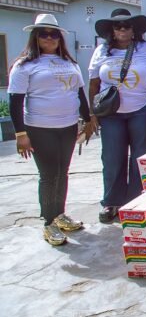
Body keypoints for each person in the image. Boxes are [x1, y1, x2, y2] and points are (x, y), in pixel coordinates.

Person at [8, 14, 96, 245]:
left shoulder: (70, 63)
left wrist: (88, 120)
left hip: (67, 127)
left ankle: (59, 214)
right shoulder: (24, 65)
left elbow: (79, 94)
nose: (49, 38)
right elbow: (15, 101)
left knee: (62, 172)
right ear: (35, 37)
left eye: (53, 34)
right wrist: (20, 134)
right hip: (39, 128)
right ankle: (48, 223)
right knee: (48, 176)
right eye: (43, 34)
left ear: (60, 38)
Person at [89, 9, 146, 223]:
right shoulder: (101, 51)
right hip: (111, 113)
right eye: (117, 26)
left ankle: (135, 201)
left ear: (134, 30)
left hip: (141, 109)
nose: (122, 29)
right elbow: (94, 83)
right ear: (111, 31)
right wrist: (92, 114)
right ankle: (111, 202)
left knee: (140, 156)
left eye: (126, 25)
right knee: (112, 157)